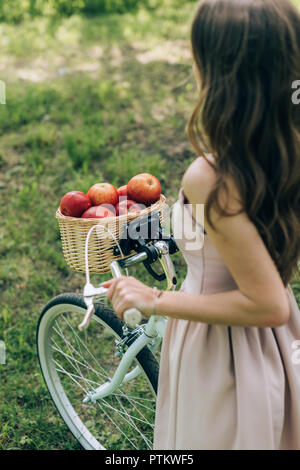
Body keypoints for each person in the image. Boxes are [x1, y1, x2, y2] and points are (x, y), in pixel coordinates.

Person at [104, 0, 300, 450]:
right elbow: (236, 242)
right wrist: (157, 228)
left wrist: (155, 298)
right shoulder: (283, 149)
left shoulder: (211, 176)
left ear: (217, 73)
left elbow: (268, 303)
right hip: (277, 348)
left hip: (224, 351)